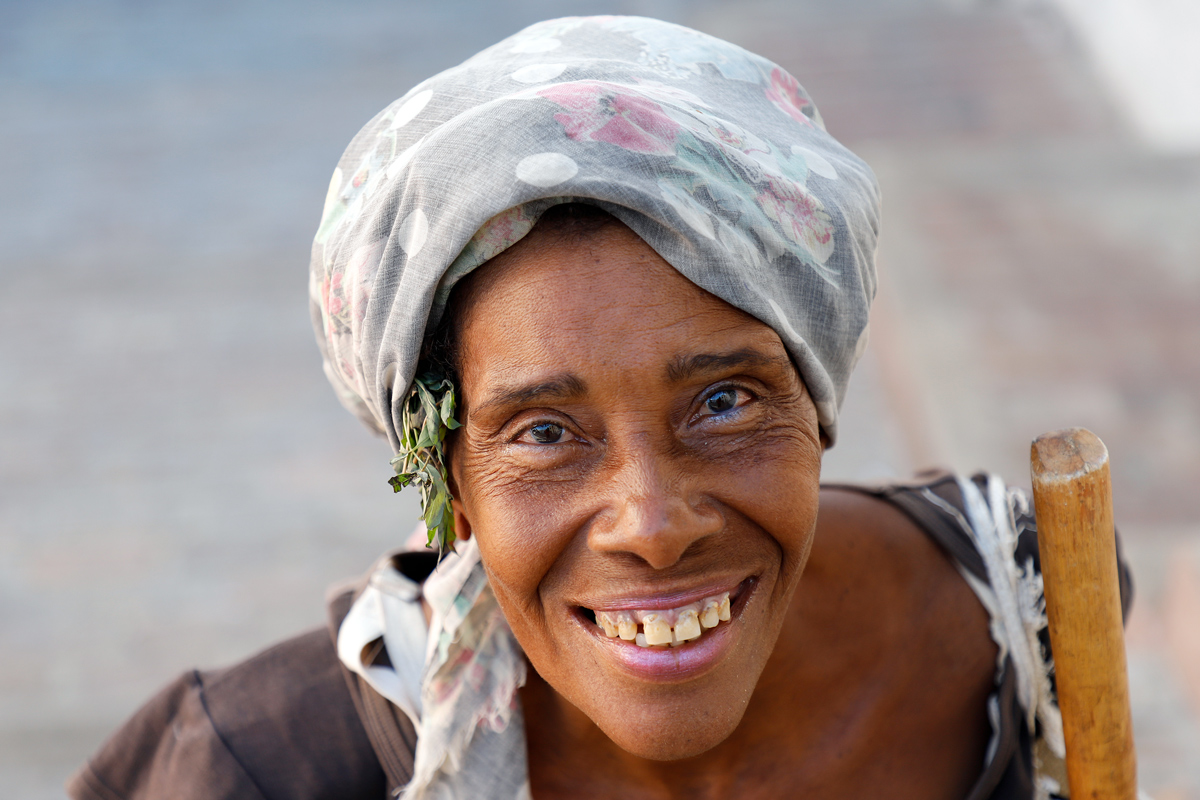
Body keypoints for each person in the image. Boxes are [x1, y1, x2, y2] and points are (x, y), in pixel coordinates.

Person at [68, 16, 1131, 800]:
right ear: (450, 481)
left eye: (724, 400)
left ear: (816, 394)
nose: (654, 524)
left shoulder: (1027, 602)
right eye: (542, 433)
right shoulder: (249, 770)